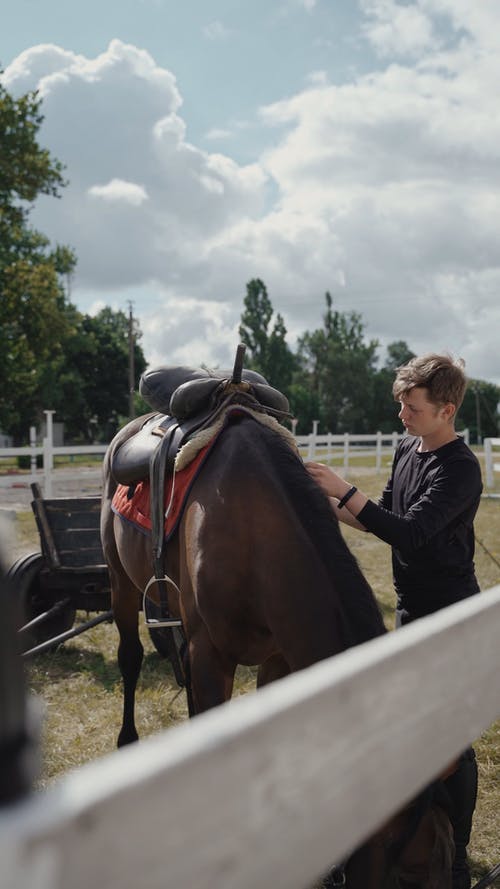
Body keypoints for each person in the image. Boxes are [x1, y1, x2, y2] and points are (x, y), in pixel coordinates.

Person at [306, 353, 481, 889]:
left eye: (413, 406)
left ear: (446, 409)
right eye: (401, 404)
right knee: (412, 728)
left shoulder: (461, 469)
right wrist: (318, 500)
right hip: (409, 609)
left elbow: (408, 533)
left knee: (452, 741)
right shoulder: (408, 447)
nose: (402, 415)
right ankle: (417, 835)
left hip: (449, 616)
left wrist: (343, 488)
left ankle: (456, 856)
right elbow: (380, 515)